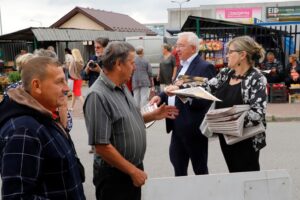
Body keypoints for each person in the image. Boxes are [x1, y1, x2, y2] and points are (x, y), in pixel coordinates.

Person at [83, 41, 179, 200]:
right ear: (119, 64)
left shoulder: (121, 86)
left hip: (129, 169)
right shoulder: (97, 96)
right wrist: (132, 171)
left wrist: (153, 115)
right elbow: (101, 146)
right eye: (132, 63)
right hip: (115, 176)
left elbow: (127, 119)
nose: (135, 67)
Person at [163, 36, 268, 173]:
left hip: (247, 140)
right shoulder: (226, 74)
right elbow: (205, 86)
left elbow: (258, 114)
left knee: (248, 179)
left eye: (230, 52)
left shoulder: (256, 78)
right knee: (233, 174)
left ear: (242, 55)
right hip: (227, 137)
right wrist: (179, 89)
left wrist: (226, 120)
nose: (227, 55)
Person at [0, 56, 85, 199]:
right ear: (37, 86)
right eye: (59, 82)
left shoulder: (43, 114)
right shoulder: (24, 131)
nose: (66, 88)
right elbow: (17, 196)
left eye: (65, 80)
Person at [150, 32, 216, 176]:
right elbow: (176, 86)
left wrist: (181, 92)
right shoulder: (182, 65)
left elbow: (205, 98)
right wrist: (160, 97)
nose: (177, 49)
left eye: (181, 46)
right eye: (176, 45)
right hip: (176, 126)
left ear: (193, 48)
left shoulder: (205, 67)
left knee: (200, 170)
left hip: (193, 128)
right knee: (178, 167)